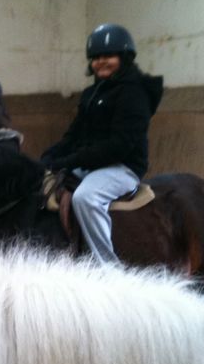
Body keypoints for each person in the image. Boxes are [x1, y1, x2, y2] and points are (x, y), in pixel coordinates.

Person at [40, 24, 163, 263]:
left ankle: (108, 268)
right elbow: (74, 135)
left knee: (85, 197)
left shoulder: (134, 93)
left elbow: (120, 144)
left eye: (108, 56)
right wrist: (48, 157)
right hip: (92, 164)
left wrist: (70, 160)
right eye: (95, 57)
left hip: (121, 166)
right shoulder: (92, 93)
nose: (100, 62)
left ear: (124, 57)